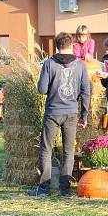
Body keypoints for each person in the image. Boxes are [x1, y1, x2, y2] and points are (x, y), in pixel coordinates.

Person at [29, 32, 91, 197]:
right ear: (71, 45)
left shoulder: (49, 64)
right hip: (71, 112)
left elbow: (42, 89)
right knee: (68, 151)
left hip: (53, 112)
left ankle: (44, 188)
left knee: (46, 149)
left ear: (56, 46)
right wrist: (84, 115)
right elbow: (86, 92)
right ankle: (65, 189)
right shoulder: (80, 65)